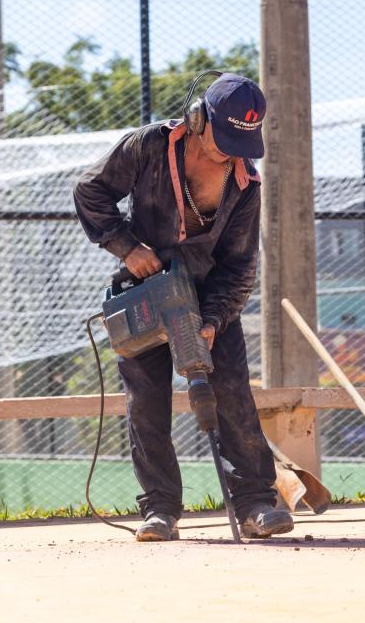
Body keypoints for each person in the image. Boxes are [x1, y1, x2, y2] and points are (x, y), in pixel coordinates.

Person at [73, 73, 293, 541]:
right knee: (146, 403)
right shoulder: (148, 147)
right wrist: (127, 248)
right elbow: (90, 190)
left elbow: (239, 266)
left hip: (209, 298)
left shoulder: (245, 185)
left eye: (241, 143)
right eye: (224, 139)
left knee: (232, 394)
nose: (230, 152)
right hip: (145, 292)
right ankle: (161, 509)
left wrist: (212, 321)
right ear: (198, 118)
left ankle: (255, 503)